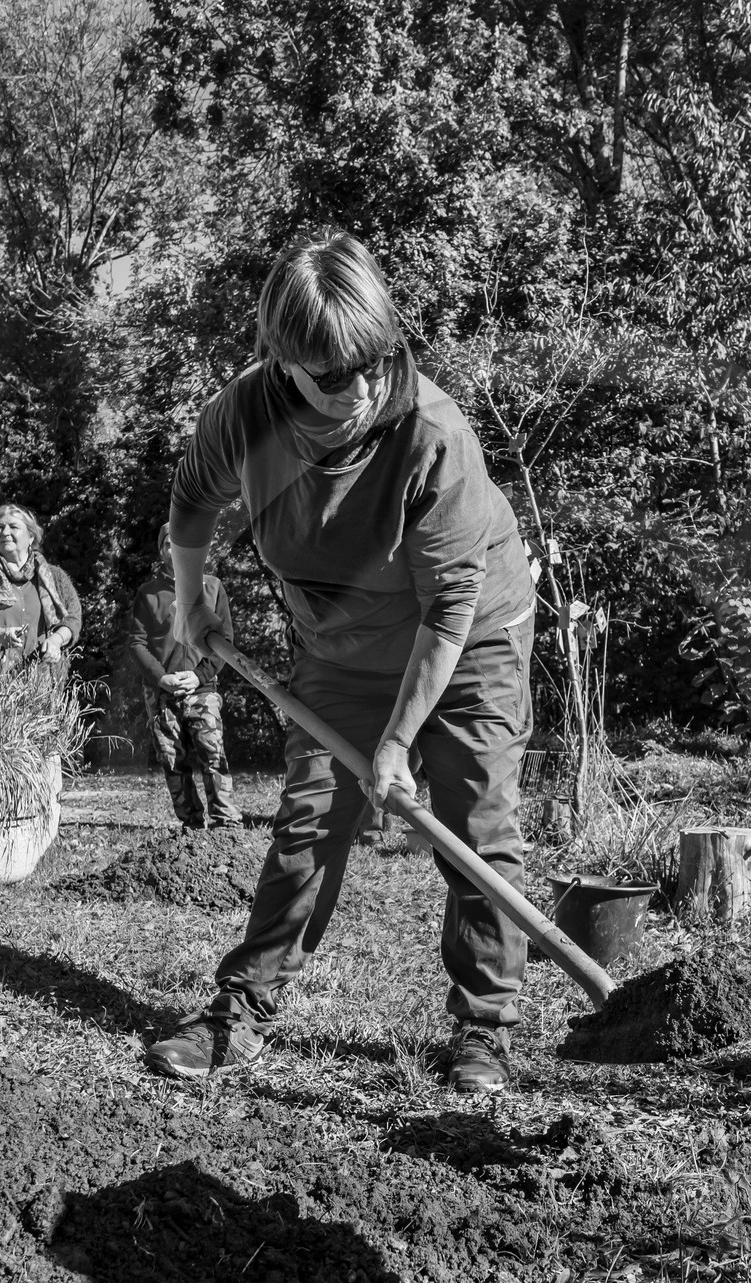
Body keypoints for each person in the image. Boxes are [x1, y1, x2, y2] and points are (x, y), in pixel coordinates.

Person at [145, 228, 535, 1094]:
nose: (360, 389)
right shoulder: (244, 418)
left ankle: (485, 1025)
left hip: (469, 638)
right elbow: (191, 507)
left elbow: (449, 610)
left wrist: (396, 743)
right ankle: (243, 1006)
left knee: (477, 821)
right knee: (312, 818)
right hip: (341, 645)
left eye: (374, 362)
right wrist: (193, 597)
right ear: (282, 362)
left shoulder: (433, 434)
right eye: (331, 375)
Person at [126, 524, 242, 829]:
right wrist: (160, 678)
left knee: (212, 752)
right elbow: (137, 643)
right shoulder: (148, 593)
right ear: (161, 550)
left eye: (182, 542)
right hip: (162, 691)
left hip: (202, 689)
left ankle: (226, 823)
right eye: (168, 543)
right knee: (171, 759)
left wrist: (200, 674)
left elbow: (225, 642)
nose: (175, 549)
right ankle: (190, 825)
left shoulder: (212, 587)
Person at [0, 504, 81, 680]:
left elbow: (72, 618)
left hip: (42, 684)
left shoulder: (55, 577)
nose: (5, 532)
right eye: (0, 527)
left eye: (13, 527)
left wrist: (56, 640)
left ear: (31, 536)